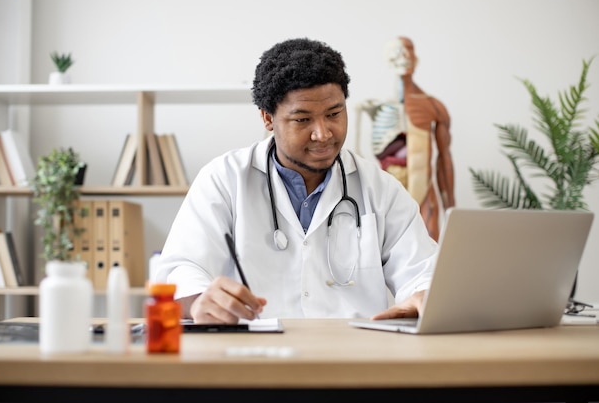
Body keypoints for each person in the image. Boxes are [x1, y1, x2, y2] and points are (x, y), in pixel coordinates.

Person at [156, 38, 437, 324]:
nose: (323, 133)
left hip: (353, 355)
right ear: (268, 118)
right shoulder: (225, 179)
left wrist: (424, 293)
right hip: (254, 357)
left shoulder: (380, 188)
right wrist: (200, 300)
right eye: (302, 120)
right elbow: (182, 268)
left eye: (334, 114)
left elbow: (422, 269)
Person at [355, 36, 455, 241]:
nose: (405, 56)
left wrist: (451, 209)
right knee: (383, 246)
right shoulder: (377, 107)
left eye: (409, 50)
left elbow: (444, 157)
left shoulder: (433, 107)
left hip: (423, 188)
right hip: (386, 186)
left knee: (430, 245)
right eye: (399, 52)